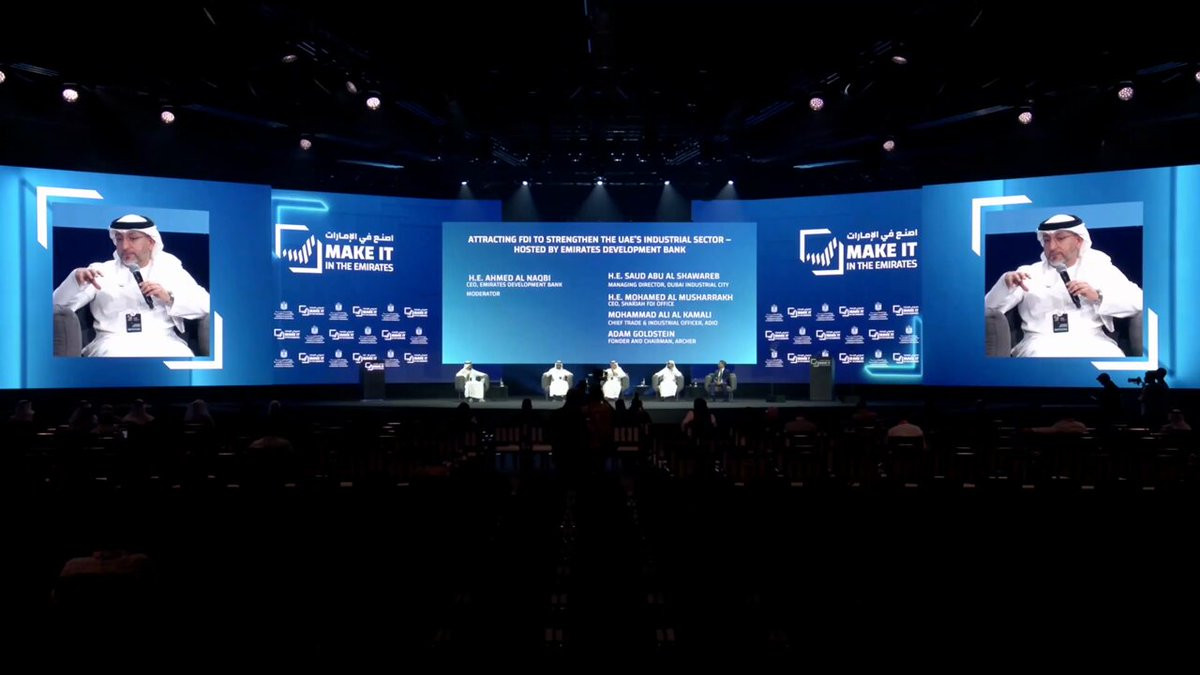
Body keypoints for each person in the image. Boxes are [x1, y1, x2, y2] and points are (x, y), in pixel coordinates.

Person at [985, 213, 1142, 357]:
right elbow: (988, 310)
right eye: (1047, 240)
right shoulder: (1027, 273)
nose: (1052, 247)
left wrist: (1097, 297)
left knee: (1111, 358)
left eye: (1060, 238)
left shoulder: (1099, 268)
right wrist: (1004, 285)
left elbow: (1139, 301)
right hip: (1040, 343)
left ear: (1079, 241)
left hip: (1092, 341)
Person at [52, 214, 210, 357]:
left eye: (133, 238)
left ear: (151, 242)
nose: (125, 246)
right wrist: (74, 281)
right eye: (119, 239)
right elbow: (56, 307)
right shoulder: (100, 271)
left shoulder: (169, 269)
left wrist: (169, 298)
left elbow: (206, 305)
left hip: (164, 341)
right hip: (112, 343)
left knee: (181, 357)